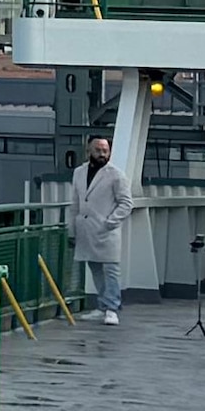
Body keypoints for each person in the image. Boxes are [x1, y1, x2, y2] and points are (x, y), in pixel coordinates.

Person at [68, 132, 138, 324]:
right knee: (95, 267)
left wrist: (110, 221)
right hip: (86, 229)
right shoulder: (79, 173)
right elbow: (75, 203)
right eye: (98, 150)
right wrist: (71, 230)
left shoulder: (116, 175)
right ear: (89, 150)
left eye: (105, 150)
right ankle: (101, 305)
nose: (102, 154)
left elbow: (126, 203)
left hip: (106, 230)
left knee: (111, 268)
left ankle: (112, 308)